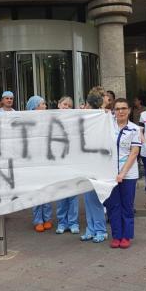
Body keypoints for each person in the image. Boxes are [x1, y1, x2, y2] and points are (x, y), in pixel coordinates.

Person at [107, 98, 141, 249]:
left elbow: (134, 153)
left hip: (128, 174)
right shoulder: (107, 126)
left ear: (129, 110)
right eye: (118, 109)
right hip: (110, 174)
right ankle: (116, 236)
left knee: (127, 206)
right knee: (113, 206)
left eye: (124, 108)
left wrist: (122, 173)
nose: (121, 111)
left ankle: (126, 236)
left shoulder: (135, 129)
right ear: (113, 111)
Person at [80, 89, 108, 243]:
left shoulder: (101, 116)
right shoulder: (85, 116)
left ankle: (100, 230)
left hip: (97, 162)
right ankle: (91, 229)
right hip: (86, 161)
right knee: (87, 198)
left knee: (95, 198)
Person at [26, 95, 53, 232]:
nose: (45, 106)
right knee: (36, 191)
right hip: (33, 162)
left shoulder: (47, 120)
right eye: (42, 104)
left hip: (46, 160)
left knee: (47, 190)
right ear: (35, 106)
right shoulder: (28, 123)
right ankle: (38, 220)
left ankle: (47, 218)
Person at [55, 96, 79, 235]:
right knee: (61, 194)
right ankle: (62, 222)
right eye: (64, 104)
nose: (67, 107)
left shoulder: (75, 121)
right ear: (58, 105)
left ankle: (73, 222)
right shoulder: (52, 120)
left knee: (73, 195)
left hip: (72, 163)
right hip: (58, 164)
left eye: (69, 105)